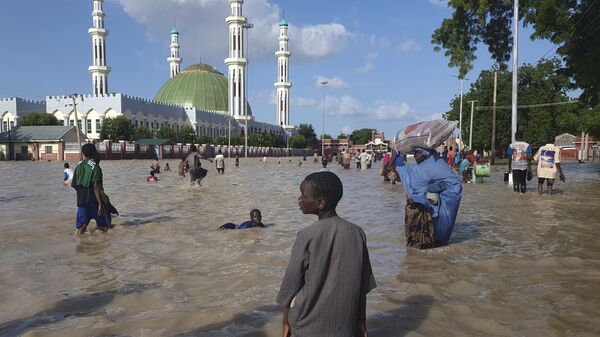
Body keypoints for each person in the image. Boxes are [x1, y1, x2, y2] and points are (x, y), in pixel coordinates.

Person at [277, 171, 376, 337]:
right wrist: (360, 320)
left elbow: (291, 284)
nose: (299, 200)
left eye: (303, 195)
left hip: (306, 325)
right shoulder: (357, 233)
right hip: (345, 326)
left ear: (320, 203)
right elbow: (362, 285)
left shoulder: (306, 235)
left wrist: (285, 320)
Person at [398, 147, 463, 246]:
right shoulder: (420, 167)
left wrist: (431, 188)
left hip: (424, 208)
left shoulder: (434, 165)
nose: (415, 155)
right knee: (414, 240)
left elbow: (452, 184)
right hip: (415, 207)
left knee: (424, 238)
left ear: (425, 153)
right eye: (415, 153)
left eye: (418, 152)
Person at [71, 143, 118, 234]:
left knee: (81, 228)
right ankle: (101, 245)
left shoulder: (78, 166)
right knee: (105, 227)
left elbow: (75, 186)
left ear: (83, 153)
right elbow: (96, 187)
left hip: (81, 201)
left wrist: (82, 196)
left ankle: (80, 245)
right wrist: (100, 204)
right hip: (94, 202)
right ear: (94, 153)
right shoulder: (95, 167)